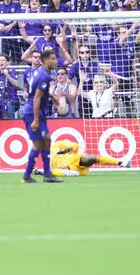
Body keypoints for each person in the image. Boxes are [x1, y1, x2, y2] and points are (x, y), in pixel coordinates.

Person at [21, 50, 63, 183]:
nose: (55, 61)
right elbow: (36, 98)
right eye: (53, 59)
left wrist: (51, 97)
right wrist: (36, 120)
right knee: (38, 144)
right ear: (45, 61)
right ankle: (27, 176)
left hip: (36, 111)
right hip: (33, 112)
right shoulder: (44, 76)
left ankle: (47, 174)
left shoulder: (40, 71)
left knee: (47, 140)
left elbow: (36, 92)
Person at [33, 139, 130, 177]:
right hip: (69, 168)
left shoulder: (57, 145)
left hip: (74, 158)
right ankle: (67, 173)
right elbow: (53, 169)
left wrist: (67, 150)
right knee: (51, 170)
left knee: (91, 158)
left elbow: (75, 145)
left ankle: (121, 162)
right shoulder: (46, 160)